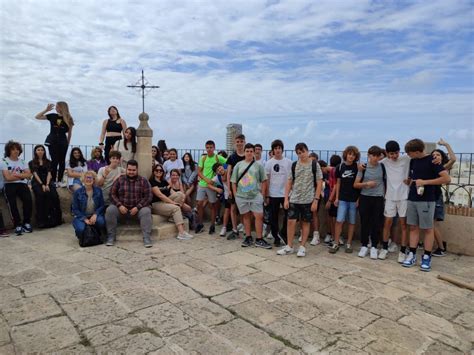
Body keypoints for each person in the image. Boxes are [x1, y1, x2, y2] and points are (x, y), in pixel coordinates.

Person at [402, 139, 450, 272]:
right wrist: (410, 181)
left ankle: (427, 257)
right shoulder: (413, 161)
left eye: (409, 153)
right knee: (413, 227)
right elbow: (416, 177)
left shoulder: (432, 160)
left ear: (417, 152)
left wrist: (425, 182)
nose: (408, 155)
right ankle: (412, 254)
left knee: (428, 229)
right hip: (412, 198)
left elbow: (446, 179)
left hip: (427, 200)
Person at [277, 143, 322, 257]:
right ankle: (289, 246)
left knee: (305, 223)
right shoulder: (294, 165)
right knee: (290, 222)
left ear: (307, 151)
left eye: (302, 152)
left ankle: (302, 247)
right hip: (295, 199)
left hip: (308, 199)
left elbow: (319, 182)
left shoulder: (315, 165)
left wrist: (316, 200)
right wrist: (286, 198)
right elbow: (289, 182)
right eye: (298, 153)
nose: (301, 155)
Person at [231, 143, 271, 249]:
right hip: (241, 196)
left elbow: (264, 180)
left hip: (255, 195)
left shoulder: (258, 166)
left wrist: (262, 194)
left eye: (251, 151)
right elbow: (233, 181)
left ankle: (259, 238)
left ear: (254, 152)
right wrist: (235, 195)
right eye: (247, 151)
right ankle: (248, 237)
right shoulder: (238, 165)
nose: (249, 153)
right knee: (246, 216)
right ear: (244, 152)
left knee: (259, 216)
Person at [105, 160, 153, 247]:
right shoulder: (119, 180)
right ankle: (111, 236)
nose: (131, 172)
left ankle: (146, 237)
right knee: (110, 210)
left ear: (137, 170)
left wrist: (138, 207)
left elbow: (148, 196)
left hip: (137, 210)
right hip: (122, 209)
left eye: (133, 170)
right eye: (129, 170)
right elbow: (112, 194)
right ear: (126, 169)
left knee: (146, 211)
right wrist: (119, 205)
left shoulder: (143, 181)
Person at [378, 140, 410, 263]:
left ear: (399, 151)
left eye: (396, 153)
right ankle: (385, 248)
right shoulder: (384, 162)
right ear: (387, 153)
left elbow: (421, 158)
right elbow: (371, 164)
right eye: (391, 154)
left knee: (403, 224)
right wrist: (361, 166)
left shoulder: (406, 159)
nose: (394, 156)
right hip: (390, 196)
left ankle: (402, 251)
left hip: (403, 196)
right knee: (387, 223)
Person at [353, 146, 386, 259]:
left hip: (378, 198)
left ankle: (374, 247)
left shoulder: (383, 166)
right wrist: (367, 184)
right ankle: (364, 245)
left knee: (377, 223)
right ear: (368, 155)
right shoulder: (363, 167)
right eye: (373, 156)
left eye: (378, 156)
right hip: (365, 197)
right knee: (365, 222)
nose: (375, 158)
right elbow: (356, 184)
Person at [329, 146, 361, 254]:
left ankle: (349, 243)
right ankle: (336, 242)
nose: (351, 156)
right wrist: (337, 197)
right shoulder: (340, 167)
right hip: (342, 198)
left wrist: (358, 199)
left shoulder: (357, 167)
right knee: (339, 221)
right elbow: (338, 183)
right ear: (346, 155)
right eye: (349, 154)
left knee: (352, 222)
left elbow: (359, 184)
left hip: (353, 199)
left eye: (353, 155)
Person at [35, 102, 74, 187]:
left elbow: (70, 133)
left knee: (62, 161)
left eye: (57, 106)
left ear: (62, 107)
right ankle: (53, 181)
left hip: (63, 141)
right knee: (54, 161)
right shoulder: (52, 116)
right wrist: (46, 110)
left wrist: (67, 143)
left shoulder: (69, 118)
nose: (56, 108)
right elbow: (37, 117)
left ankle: (60, 181)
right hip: (52, 141)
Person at [150, 164, 193, 240]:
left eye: (160, 170)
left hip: (165, 202)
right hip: (156, 204)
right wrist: (173, 203)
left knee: (180, 194)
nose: (158, 172)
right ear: (153, 172)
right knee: (176, 208)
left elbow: (172, 192)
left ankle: (172, 218)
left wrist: (182, 200)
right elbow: (160, 195)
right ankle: (181, 233)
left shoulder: (164, 181)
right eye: (157, 170)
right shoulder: (152, 181)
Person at [1, 140, 33, 235]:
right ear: (9, 150)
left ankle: (26, 223)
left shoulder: (23, 161)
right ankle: (17, 224)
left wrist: (16, 175)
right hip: (9, 185)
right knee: (12, 203)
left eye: (17, 149)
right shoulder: (4, 161)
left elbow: (29, 175)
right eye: (13, 149)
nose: (16, 151)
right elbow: (7, 177)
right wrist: (21, 174)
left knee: (28, 200)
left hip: (22, 184)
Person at [264, 139, 292, 246]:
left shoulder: (288, 162)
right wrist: (266, 195)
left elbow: (291, 179)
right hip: (273, 194)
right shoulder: (269, 163)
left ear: (282, 149)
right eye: (275, 148)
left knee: (288, 216)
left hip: (285, 194)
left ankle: (283, 233)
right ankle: (276, 236)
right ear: (273, 150)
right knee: (273, 217)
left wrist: (290, 192)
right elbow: (267, 180)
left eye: (279, 148)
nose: (277, 150)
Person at [195, 140, 227, 234]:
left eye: (211, 147)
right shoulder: (203, 158)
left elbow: (228, 163)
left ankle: (212, 225)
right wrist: (205, 179)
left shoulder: (218, 157)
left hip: (212, 185)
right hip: (202, 184)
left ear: (214, 148)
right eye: (207, 147)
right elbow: (199, 171)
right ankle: (200, 224)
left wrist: (223, 174)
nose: (209, 149)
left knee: (213, 205)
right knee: (199, 204)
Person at [431, 139, 456, 257]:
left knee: (433, 224)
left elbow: (454, 159)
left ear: (442, 157)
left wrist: (446, 144)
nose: (435, 156)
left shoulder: (442, 167)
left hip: (436, 197)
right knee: (428, 224)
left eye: (438, 154)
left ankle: (441, 248)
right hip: (428, 197)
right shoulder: (430, 167)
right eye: (433, 155)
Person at [28, 144, 62, 228]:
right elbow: (35, 174)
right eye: (38, 150)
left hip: (48, 181)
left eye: (42, 150)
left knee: (54, 195)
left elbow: (49, 173)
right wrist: (42, 184)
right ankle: (41, 221)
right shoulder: (31, 162)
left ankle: (55, 219)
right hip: (37, 181)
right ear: (35, 151)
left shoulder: (48, 161)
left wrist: (47, 184)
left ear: (44, 151)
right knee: (40, 195)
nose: (40, 151)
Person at [71, 171, 106, 239]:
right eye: (87, 177)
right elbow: (75, 209)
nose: (88, 179)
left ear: (94, 180)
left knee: (101, 222)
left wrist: (95, 214)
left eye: (91, 178)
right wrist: (84, 219)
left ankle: (96, 233)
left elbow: (102, 205)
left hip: (94, 215)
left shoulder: (98, 191)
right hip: (81, 216)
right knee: (80, 229)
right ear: (83, 179)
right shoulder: (77, 192)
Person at [226, 134, 246, 239]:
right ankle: (234, 229)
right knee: (233, 207)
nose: (239, 143)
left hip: (245, 187)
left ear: (244, 142)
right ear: (235, 143)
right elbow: (228, 173)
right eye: (237, 141)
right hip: (234, 187)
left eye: (241, 141)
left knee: (244, 208)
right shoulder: (232, 157)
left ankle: (243, 226)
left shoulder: (247, 155)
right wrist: (229, 189)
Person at [208, 162, 231, 237]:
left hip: (237, 193)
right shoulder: (217, 177)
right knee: (227, 210)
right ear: (216, 172)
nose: (220, 170)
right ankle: (224, 227)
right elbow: (209, 184)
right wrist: (216, 189)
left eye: (220, 167)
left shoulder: (230, 171)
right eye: (218, 170)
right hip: (228, 195)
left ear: (222, 166)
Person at [324, 155, 342, 245]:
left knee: (334, 219)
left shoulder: (332, 171)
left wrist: (330, 200)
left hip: (333, 198)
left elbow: (335, 186)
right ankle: (335, 237)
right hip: (337, 197)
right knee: (334, 218)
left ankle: (335, 238)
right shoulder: (336, 170)